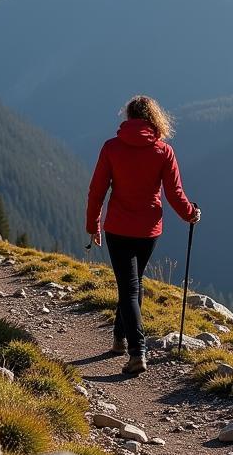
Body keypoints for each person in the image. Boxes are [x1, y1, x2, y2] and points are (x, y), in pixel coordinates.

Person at [86, 95, 201, 375]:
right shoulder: (164, 151)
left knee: (129, 286)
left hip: (118, 228)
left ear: (128, 117)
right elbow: (174, 194)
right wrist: (190, 214)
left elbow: (97, 190)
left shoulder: (112, 148)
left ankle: (137, 352)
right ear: (154, 118)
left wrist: (93, 225)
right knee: (132, 284)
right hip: (149, 230)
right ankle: (119, 341)